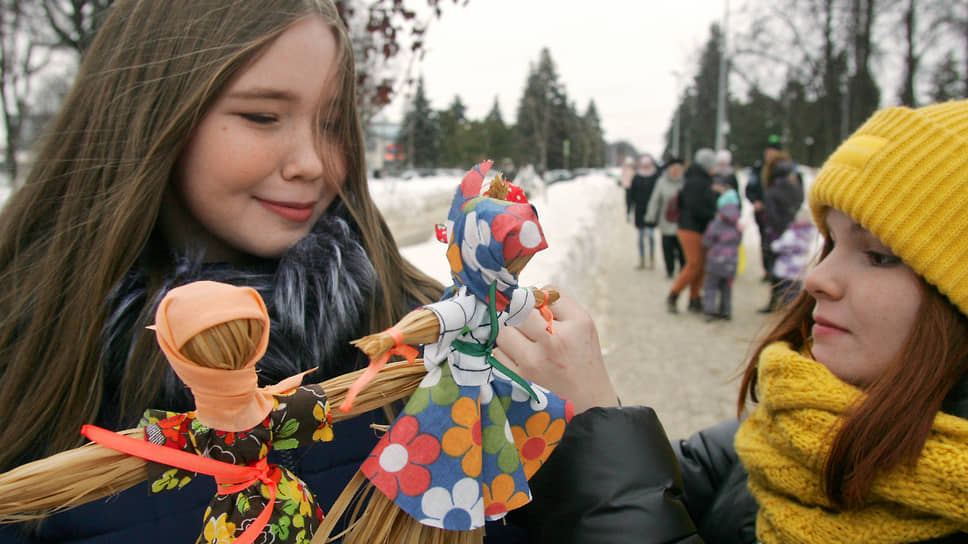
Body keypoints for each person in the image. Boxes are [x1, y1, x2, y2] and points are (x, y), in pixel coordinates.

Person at [0, 2, 444, 541]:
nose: (314, 162)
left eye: (331, 123)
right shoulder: (23, 348)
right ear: (154, 113)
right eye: (262, 116)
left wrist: (579, 437)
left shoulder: (429, 340)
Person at [506, 99, 968, 543]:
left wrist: (593, 423)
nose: (816, 278)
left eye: (877, 255)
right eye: (830, 245)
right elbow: (668, 489)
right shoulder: (791, 423)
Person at [667, 148, 720, 313]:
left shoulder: (701, 179)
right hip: (691, 228)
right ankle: (673, 295)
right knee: (694, 263)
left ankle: (694, 298)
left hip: (700, 228)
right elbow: (696, 207)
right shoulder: (697, 181)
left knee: (702, 265)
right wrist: (714, 214)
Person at [758, 158, 805, 312]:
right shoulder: (797, 189)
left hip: (776, 236)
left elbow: (771, 216)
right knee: (793, 271)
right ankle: (790, 302)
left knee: (775, 270)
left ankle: (775, 301)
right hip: (794, 235)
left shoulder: (772, 192)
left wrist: (776, 236)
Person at [745, 135, 783, 281]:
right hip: (763, 214)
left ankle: (777, 273)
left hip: (780, 215)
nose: (770, 155)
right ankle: (768, 270)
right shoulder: (758, 168)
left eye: (773, 152)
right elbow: (750, 188)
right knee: (765, 242)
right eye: (768, 152)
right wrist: (755, 201)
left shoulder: (786, 168)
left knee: (778, 243)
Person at [701, 189, 742, 321]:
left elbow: (707, 241)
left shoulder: (715, 225)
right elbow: (738, 240)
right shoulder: (737, 226)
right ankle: (726, 311)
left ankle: (709, 310)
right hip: (732, 261)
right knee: (727, 287)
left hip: (716, 261)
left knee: (711, 286)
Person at [645, 157, 686, 279]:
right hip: (666, 222)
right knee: (667, 247)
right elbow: (655, 200)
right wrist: (650, 216)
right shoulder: (661, 182)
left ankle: (684, 270)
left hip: (682, 222)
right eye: (673, 169)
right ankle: (670, 269)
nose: (675, 172)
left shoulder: (686, 182)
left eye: (678, 169)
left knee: (682, 248)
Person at [769, 206, 817, 309]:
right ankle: (793, 308)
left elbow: (778, 246)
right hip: (800, 265)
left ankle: (786, 310)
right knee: (795, 290)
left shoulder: (792, 233)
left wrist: (774, 244)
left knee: (786, 291)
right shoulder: (811, 233)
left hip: (787, 266)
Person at [628, 154, 661, 269]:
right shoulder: (637, 177)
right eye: (644, 165)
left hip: (651, 211)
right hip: (639, 210)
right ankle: (642, 259)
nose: (646, 167)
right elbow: (631, 194)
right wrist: (629, 209)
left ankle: (651, 258)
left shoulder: (655, 176)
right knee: (641, 237)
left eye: (648, 165)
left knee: (651, 236)